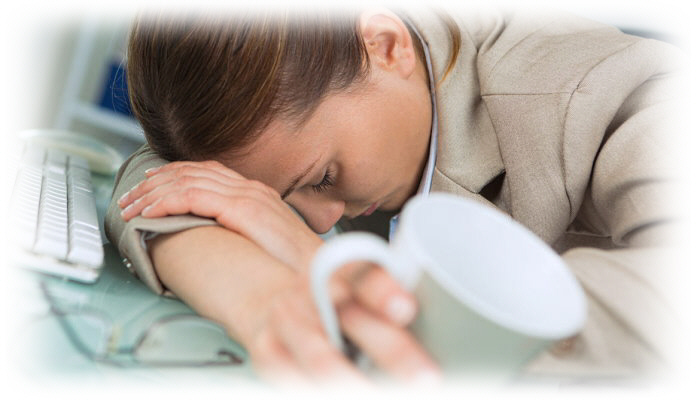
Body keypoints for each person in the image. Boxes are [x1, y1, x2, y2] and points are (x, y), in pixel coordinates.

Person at [106, 5, 683, 385]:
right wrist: (257, 298)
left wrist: (329, 268)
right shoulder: (346, 115)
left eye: (323, 178)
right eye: (281, 202)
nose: (320, 220)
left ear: (386, 46)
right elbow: (154, 181)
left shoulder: (620, 92)